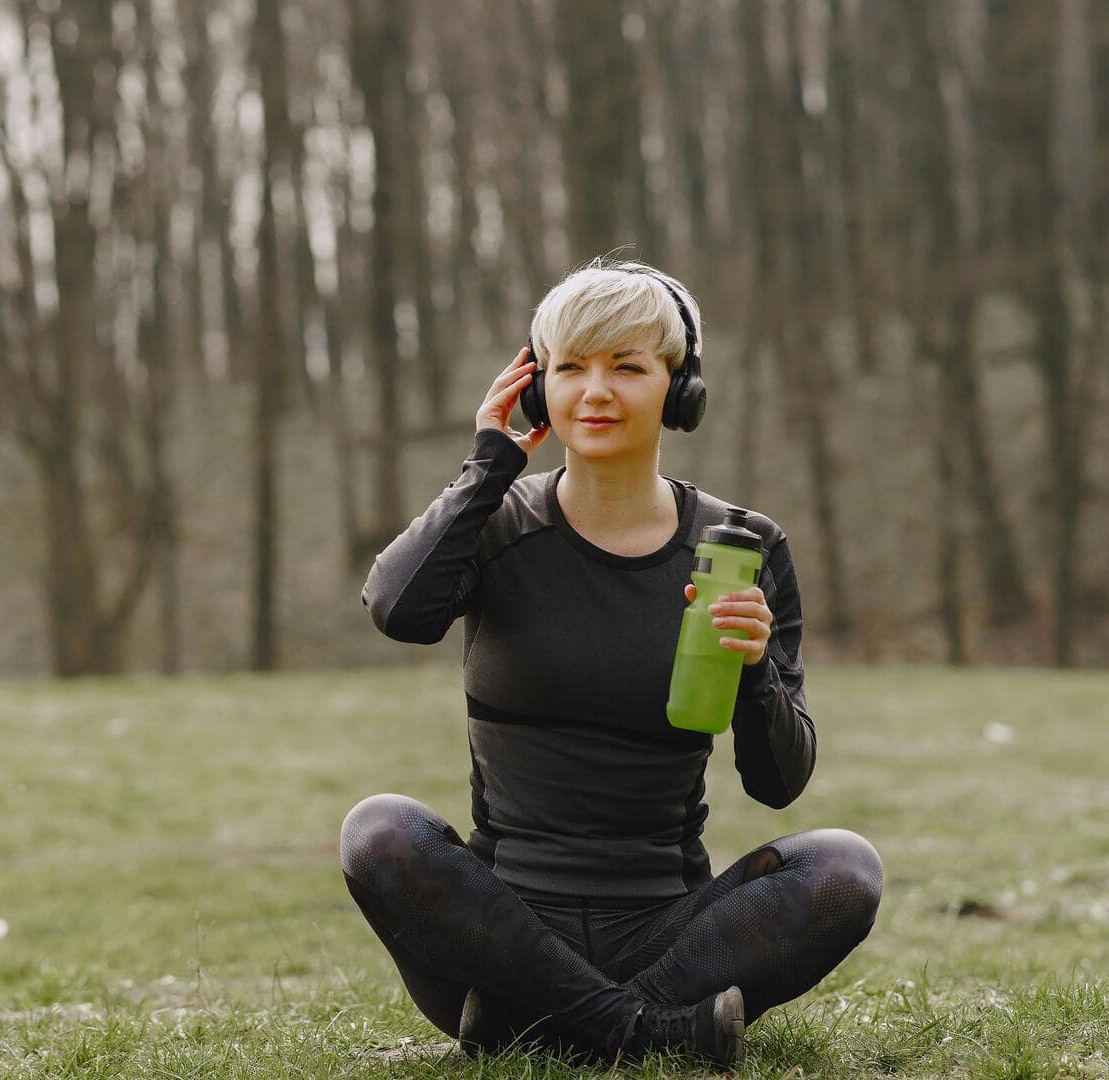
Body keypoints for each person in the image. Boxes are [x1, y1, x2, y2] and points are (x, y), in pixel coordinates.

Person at [339, 259, 884, 1071]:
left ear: (679, 388)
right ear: (536, 386)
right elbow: (396, 610)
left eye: (627, 367)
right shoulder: (492, 525)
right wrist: (487, 465)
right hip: (499, 929)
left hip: (669, 930)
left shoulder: (743, 547)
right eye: (570, 368)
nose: (595, 391)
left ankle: (536, 1026)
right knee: (379, 831)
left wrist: (757, 670)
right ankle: (644, 1034)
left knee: (844, 869)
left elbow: (779, 782)